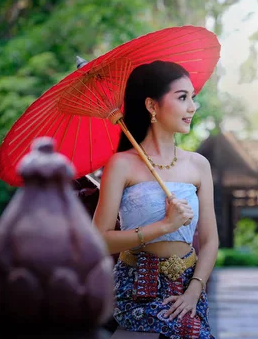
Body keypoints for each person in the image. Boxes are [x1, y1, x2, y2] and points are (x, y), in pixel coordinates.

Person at [92, 60, 218, 339]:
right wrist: (164, 226)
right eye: (182, 97)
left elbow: (210, 241)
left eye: (192, 98)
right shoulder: (121, 164)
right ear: (152, 105)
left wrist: (194, 291)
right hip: (136, 287)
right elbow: (98, 239)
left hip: (187, 287)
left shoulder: (199, 165)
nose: (192, 107)